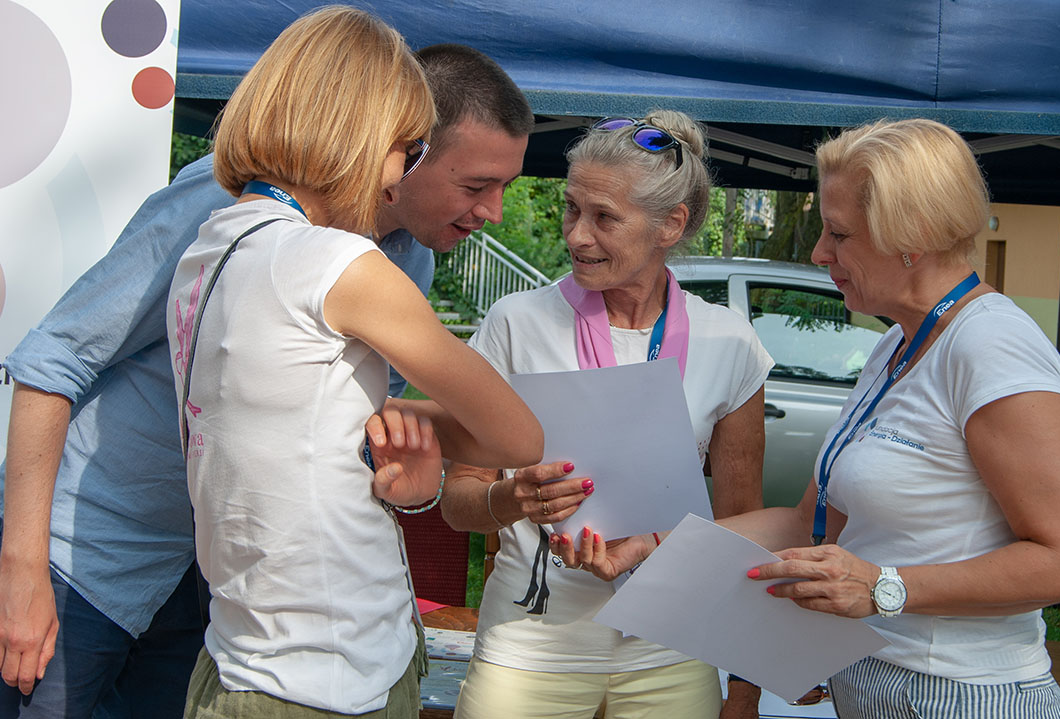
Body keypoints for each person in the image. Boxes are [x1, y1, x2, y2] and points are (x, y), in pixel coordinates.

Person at [0, 36, 533, 719]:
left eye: (504, 189)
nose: (490, 210)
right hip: (88, 557)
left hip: (218, 590)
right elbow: (56, 359)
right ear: (402, 142)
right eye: (475, 184)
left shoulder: (409, 265)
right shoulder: (223, 204)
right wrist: (21, 566)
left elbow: (357, 440)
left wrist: (414, 481)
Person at [555, 118, 1060, 719]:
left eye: (839, 234)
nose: (820, 252)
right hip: (875, 684)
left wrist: (885, 586)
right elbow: (805, 524)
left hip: (962, 692)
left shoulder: (992, 346)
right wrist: (654, 546)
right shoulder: (898, 344)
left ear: (913, 235)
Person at [164, 6, 541, 717]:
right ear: (359, 135)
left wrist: (382, 429)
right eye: (408, 149)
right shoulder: (338, 260)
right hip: (332, 672)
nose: (401, 179)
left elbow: (292, 418)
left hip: (244, 652)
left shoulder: (210, 248)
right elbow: (517, 435)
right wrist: (398, 421)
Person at [436, 111, 773, 719]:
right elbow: (458, 501)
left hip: (670, 646)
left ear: (671, 223)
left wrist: (745, 689)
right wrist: (514, 500)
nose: (576, 236)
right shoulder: (515, 324)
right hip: (531, 645)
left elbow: (741, 528)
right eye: (571, 209)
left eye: (604, 218)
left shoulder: (730, 343)